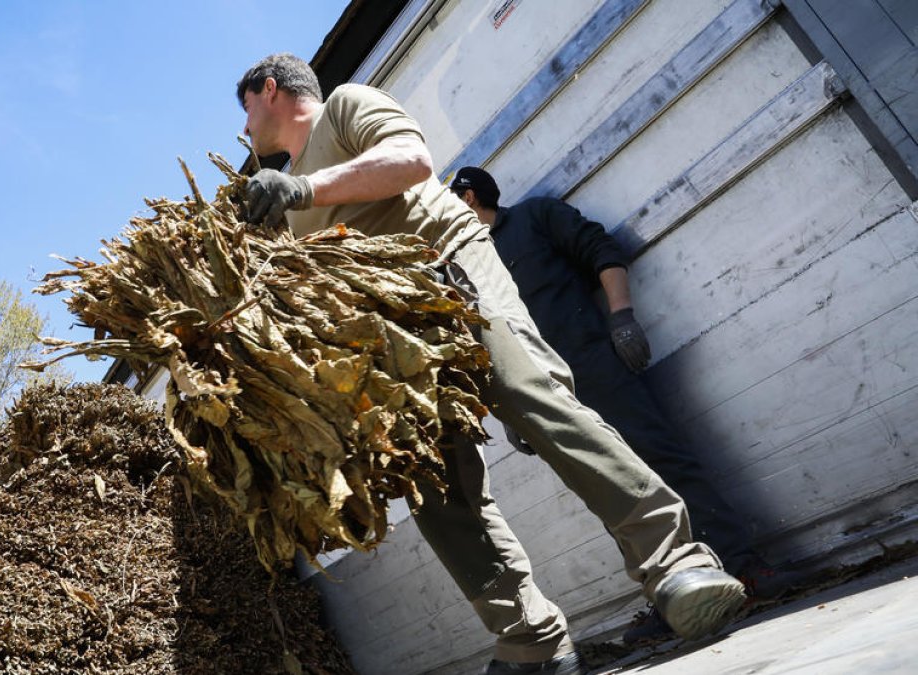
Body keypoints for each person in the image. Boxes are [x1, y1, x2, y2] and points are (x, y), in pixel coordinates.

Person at [236, 53, 746, 675]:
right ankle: (529, 639)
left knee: (535, 403)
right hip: (388, 334)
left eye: (245, 112)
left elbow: (410, 162)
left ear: (270, 90)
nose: (243, 132)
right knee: (431, 484)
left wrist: (307, 186)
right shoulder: (284, 201)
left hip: (448, 273)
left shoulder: (345, 106)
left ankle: (674, 562)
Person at [448, 168, 802, 644]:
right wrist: (512, 412)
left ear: (467, 198)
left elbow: (603, 252)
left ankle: (745, 570)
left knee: (664, 462)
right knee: (610, 494)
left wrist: (622, 319)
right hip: (547, 400)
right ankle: (668, 594)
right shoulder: (468, 266)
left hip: (596, 368)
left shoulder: (535, 217)